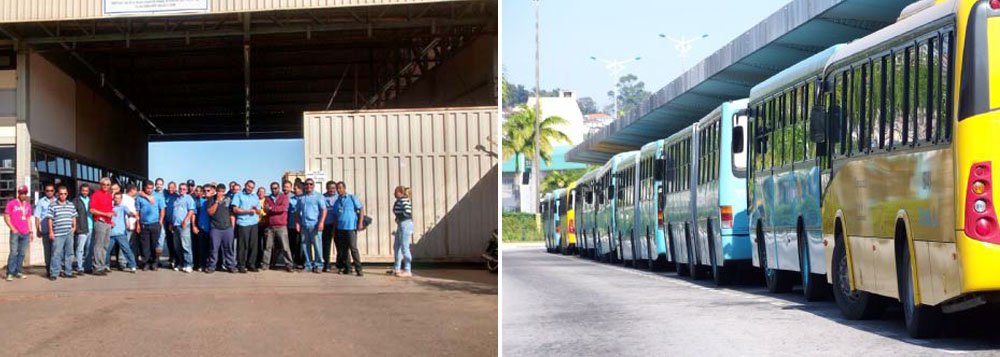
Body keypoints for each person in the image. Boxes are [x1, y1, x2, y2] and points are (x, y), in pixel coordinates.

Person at [332, 181, 365, 276]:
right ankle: (348, 268)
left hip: (351, 227)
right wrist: (334, 230)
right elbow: (335, 216)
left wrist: (360, 223)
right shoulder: (337, 201)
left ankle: (359, 269)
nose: (339, 190)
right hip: (340, 228)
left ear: (344, 188)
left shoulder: (352, 198)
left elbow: (361, 209)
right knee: (344, 249)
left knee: (353, 248)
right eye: (337, 188)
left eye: (340, 188)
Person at [295, 179, 326, 274]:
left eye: (311, 184)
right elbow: (297, 212)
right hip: (304, 226)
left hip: (315, 225)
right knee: (305, 246)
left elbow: (324, 210)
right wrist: (297, 223)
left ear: (313, 185)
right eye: (307, 184)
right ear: (304, 186)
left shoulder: (318, 196)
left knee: (317, 246)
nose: (309, 186)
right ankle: (308, 265)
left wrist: (321, 223)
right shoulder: (301, 198)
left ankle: (318, 265)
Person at [48, 186, 78, 281]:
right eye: (61, 194)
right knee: (56, 253)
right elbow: (50, 219)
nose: (63, 195)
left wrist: (74, 227)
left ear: (67, 194)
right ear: (58, 194)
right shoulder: (53, 205)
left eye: (65, 194)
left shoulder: (70, 205)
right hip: (58, 233)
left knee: (69, 253)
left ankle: (68, 272)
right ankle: (54, 273)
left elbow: (73, 216)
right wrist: (51, 232)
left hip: (69, 233)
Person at [262, 182, 293, 272]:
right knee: (268, 247)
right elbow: (265, 209)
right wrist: (272, 209)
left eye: (275, 188)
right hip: (270, 226)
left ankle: (289, 265)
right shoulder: (267, 198)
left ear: (279, 188)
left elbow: (283, 208)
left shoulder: (284, 197)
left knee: (285, 247)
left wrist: (272, 208)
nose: (274, 190)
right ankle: (265, 264)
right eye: (272, 188)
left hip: (281, 226)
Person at [231, 180, 260, 273]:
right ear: (245, 185)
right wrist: (247, 211)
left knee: (253, 246)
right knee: (243, 246)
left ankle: (251, 264)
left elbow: (259, 211)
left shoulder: (255, 196)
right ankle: (241, 265)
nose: (250, 189)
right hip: (243, 223)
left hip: (254, 223)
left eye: (252, 187)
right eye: (249, 186)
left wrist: (256, 210)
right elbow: (235, 209)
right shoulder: (238, 195)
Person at [206, 183, 236, 273]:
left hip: (227, 228)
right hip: (215, 228)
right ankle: (212, 266)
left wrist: (232, 227)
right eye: (219, 191)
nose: (221, 193)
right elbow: (210, 212)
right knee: (214, 249)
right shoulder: (211, 199)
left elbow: (232, 214)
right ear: (216, 191)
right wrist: (217, 202)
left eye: (223, 192)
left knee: (229, 248)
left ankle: (230, 266)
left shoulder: (228, 199)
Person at [136, 181, 165, 271]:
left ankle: (155, 262)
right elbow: (138, 211)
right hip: (144, 224)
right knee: (145, 246)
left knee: (154, 245)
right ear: (144, 187)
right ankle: (146, 263)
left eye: (151, 188)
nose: (149, 190)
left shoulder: (158, 196)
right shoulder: (139, 198)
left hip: (155, 224)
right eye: (148, 188)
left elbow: (162, 209)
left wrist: (160, 222)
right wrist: (138, 224)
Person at [5, 185, 32, 281]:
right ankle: (10, 273)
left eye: (24, 193)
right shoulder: (12, 203)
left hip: (25, 233)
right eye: (21, 193)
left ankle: (18, 271)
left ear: (26, 193)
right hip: (15, 232)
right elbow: (6, 216)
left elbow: (28, 218)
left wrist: (30, 231)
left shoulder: (28, 205)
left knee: (21, 253)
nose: (22, 195)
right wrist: (12, 228)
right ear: (18, 193)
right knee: (13, 252)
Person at [89, 178, 115, 275]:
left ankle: (102, 265)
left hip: (108, 223)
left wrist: (111, 218)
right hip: (100, 221)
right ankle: (96, 267)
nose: (106, 186)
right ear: (100, 185)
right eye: (104, 184)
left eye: (108, 185)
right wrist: (105, 214)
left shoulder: (109, 195)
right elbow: (92, 210)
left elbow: (109, 210)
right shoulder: (96, 194)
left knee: (105, 245)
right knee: (98, 245)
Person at [107, 192, 137, 273]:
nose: (116, 199)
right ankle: (106, 265)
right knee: (107, 250)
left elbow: (129, 212)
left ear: (121, 199)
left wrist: (133, 214)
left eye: (118, 198)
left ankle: (132, 265)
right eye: (115, 198)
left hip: (121, 233)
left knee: (126, 249)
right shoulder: (110, 207)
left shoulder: (123, 207)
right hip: (110, 233)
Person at [170, 183, 196, 273]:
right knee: (177, 246)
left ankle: (188, 264)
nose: (182, 190)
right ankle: (180, 263)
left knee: (186, 246)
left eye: (184, 189)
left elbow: (191, 210)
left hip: (184, 225)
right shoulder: (175, 199)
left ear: (186, 190)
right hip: (175, 225)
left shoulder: (189, 198)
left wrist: (185, 220)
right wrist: (171, 223)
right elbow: (174, 212)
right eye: (180, 189)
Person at [392, 186, 414, 277]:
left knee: (405, 247)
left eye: (395, 192)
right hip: (401, 224)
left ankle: (408, 270)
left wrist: (400, 217)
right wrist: (397, 218)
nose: (394, 194)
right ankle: (397, 268)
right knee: (396, 246)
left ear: (400, 193)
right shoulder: (399, 200)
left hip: (406, 224)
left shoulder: (404, 200)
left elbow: (407, 211)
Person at [34, 183, 55, 276]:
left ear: (54, 191)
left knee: (56, 251)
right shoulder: (41, 202)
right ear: (45, 191)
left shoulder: (58, 201)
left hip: (57, 230)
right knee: (47, 251)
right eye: (47, 190)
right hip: (46, 230)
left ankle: (55, 269)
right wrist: (37, 230)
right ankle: (48, 269)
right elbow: (37, 217)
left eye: (51, 190)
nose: (49, 192)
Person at [72, 184, 93, 274]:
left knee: (89, 249)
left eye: (86, 190)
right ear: (80, 191)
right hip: (81, 227)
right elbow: (73, 214)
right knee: (80, 249)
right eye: (83, 190)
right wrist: (74, 226)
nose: (85, 192)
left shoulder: (91, 200)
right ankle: (80, 267)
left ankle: (88, 267)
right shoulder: (76, 201)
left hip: (91, 227)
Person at [284, 181, 303, 269]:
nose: (294, 190)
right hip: (291, 225)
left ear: (300, 189)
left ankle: (301, 262)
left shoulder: (304, 198)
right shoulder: (291, 199)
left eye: (295, 189)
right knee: (292, 244)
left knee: (301, 245)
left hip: (303, 226)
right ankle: (293, 262)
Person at [193, 185, 211, 271]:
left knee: (211, 248)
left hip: (212, 228)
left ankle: (209, 265)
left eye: (208, 190)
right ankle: (201, 264)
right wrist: (194, 226)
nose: (206, 192)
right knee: (201, 248)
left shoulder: (213, 201)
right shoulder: (199, 201)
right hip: (201, 228)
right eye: (204, 190)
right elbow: (194, 214)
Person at [321, 181, 339, 272]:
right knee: (326, 245)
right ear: (326, 188)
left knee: (339, 245)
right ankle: (326, 264)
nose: (332, 190)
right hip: (326, 224)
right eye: (330, 188)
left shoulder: (339, 197)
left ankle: (340, 264)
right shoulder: (322, 197)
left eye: (333, 188)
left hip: (337, 225)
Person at [163, 182, 179, 270]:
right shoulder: (165, 195)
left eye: (172, 187)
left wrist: (172, 222)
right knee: (169, 241)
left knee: (175, 241)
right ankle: (171, 257)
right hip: (165, 221)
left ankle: (176, 259)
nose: (170, 189)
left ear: (175, 188)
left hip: (173, 222)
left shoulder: (177, 197)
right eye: (169, 187)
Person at [122, 185, 140, 268]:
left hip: (134, 224)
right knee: (126, 244)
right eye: (136, 190)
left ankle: (131, 261)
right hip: (128, 224)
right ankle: (123, 262)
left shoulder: (132, 199)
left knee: (132, 244)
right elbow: (124, 211)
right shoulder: (124, 198)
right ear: (132, 190)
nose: (136, 192)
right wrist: (127, 222)